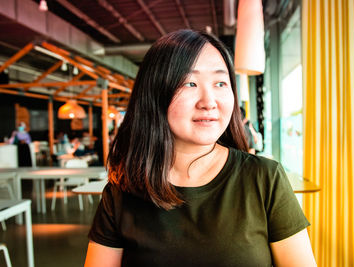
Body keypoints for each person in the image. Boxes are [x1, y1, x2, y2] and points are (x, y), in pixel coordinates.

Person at [85, 29, 316, 267]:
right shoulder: (122, 192)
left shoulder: (265, 178)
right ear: (155, 93)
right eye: (190, 83)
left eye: (220, 83)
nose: (208, 102)